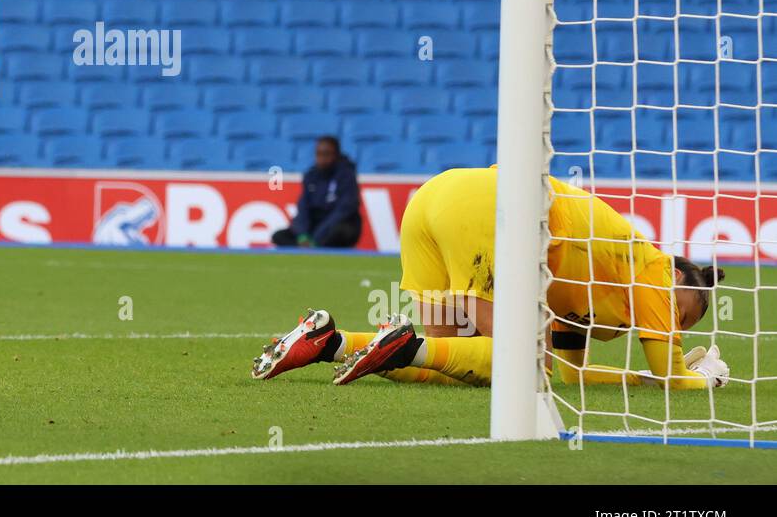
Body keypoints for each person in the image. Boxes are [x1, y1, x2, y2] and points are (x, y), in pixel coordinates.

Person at [252, 166, 730, 390]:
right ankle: (396, 343)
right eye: (678, 312)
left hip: (433, 199)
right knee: (521, 363)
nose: (670, 326)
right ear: (675, 276)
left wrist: (645, 378)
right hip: (488, 208)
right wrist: (705, 376)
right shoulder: (650, 270)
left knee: (446, 363)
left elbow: (573, 374)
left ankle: (326, 341)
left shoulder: (592, 291)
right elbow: (673, 376)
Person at [271, 136, 363, 249]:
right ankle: (306, 249)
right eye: (318, 154)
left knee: (339, 232)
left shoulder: (346, 176)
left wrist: (316, 238)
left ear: (336, 155)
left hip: (337, 224)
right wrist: (302, 235)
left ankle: (313, 248)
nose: (321, 158)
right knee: (278, 236)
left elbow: (343, 210)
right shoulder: (311, 176)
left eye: (326, 154)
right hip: (315, 225)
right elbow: (303, 208)